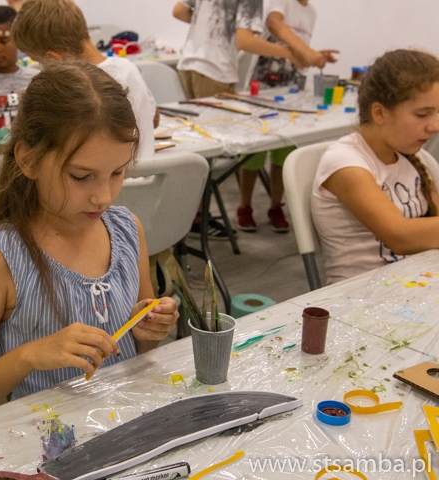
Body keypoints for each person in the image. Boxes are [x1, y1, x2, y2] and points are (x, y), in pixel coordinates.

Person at [0, 61, 179, 414]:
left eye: (117, 173)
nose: (104, 197)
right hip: (47, 433)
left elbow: (138, 351)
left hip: (127, 419)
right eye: (81, 176)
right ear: (29, 160)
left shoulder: (127, 230)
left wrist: (148, 331)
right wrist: (29, 355)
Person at [171, 0, 309, 238]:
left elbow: (180, 11)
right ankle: (197, 219)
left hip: (191, 63)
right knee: (210, 148)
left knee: (201, 145)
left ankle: (195, 217)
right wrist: (290, 52)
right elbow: (245, 41)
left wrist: (210, 28)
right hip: (215, 69)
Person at [311, 49, 439, 284]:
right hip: (359, 293)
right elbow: (399, 236)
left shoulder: (412, 156)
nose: (435, 126)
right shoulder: (344, 162)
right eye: (423, 114)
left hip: (414, 282)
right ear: (379, 113)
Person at [12, 0, 159, 161]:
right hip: (146, 175)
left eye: (40, 62)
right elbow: (155, 118)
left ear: (54, 59)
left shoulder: (75, 88)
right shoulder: (128, 67)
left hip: (107, 176)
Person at [237, 0, 339, 233]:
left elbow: (299, 52)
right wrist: (307, 53)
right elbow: (274, 24)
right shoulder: (281, 2)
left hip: (291, 92)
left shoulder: (310, 12)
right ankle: (245, 206)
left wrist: (314, 56)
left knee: (284, 153)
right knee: (253, 153)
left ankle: (276, 206)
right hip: (261, 89)